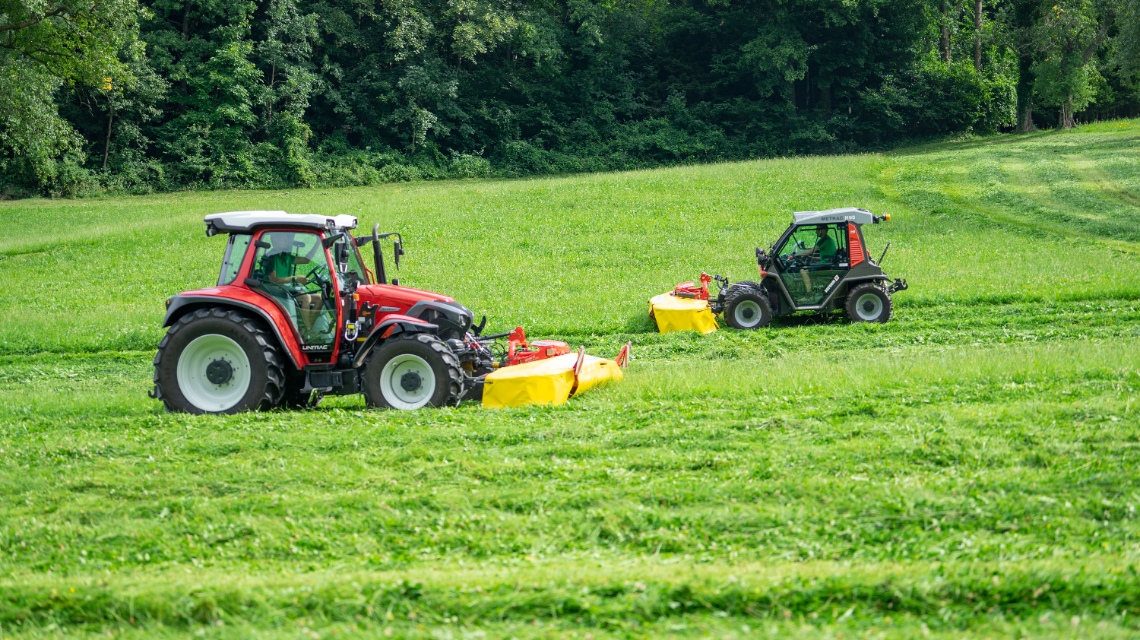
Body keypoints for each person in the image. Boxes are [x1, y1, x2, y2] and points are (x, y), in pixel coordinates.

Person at [258, 235, 331, 341]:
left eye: (287, 239)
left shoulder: (286, 257)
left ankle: (309, 327)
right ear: (274, 240)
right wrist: (295, 278)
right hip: (276, 292)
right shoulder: (271, 257)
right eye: (283, 238)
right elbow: (273, 280)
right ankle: (307, 333)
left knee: (320, 298)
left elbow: (306, 260)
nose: (286, 240)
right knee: (305, 298)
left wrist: (317, 243)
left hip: (288, 290)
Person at [791, 226, 837, 293]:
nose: (816, 232)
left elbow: (810, 251)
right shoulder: (828, 239)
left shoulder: (823, 240)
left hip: (826, 265)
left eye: (817, 230)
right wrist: (812, 258)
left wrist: (796, 255)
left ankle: (809, 294)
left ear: (823, 230)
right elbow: (825, 257)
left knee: (803, 271)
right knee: (807, 267)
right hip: (827, 263)